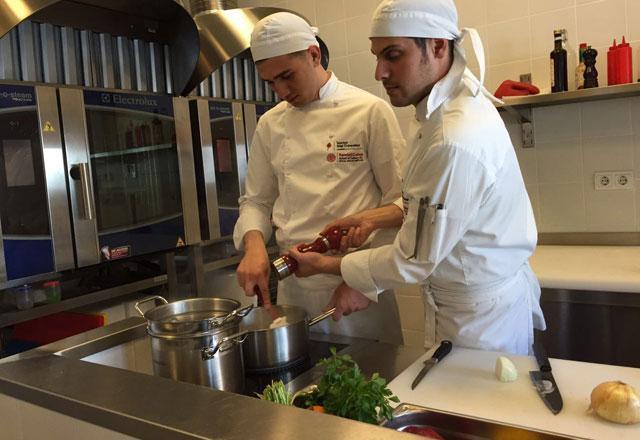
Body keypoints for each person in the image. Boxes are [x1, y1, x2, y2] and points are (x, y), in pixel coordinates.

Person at [289, 0, 546, 355]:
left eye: (393, 56)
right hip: (470, 308)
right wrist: (372, 218)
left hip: (480, 324)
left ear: (438, 46)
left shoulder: (454, 137)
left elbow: (412, 260)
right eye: (377, 56)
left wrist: (329, 266)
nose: (379, 72)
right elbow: (430, 204)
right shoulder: (440, 108)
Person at [234, 12, 405, 343]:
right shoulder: (270, 125)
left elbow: (400, 202)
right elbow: (256, 200)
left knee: (372, 371)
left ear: (313, 55)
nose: (281, 91)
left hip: (357, 288)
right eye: (270, 83)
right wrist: (253, 246)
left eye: (287, 76)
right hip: (295, 288)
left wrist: (363, 281)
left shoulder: (369, 111)